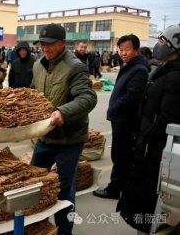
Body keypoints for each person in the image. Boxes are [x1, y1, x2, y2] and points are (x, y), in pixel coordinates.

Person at [30, 23, 97, 235]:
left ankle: (64, 231)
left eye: (50, 44)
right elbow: (33, 94)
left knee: (64, 189)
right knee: (34, 181)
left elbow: (88, 97)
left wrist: (63, 112)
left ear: (62, 44)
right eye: (42, 44)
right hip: (45, 136)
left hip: (69, 139)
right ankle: (39, 227)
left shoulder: (75, 66)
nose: (45, 48)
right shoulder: (38, 66)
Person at [118, 24, 180, 234]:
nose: (158, 45)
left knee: (148, 201)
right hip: (147, 145)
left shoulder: (174, 76)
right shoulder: (163, 70)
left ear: (174, 46)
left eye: (162, 41)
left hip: (154, 150)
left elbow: (166, 117)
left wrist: (145, 136)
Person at [93, 34, 149, 200]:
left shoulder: (139, 69)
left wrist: (115, 107)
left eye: (127, 49)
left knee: (120, 155)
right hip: (120, 118)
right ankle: (122, 186)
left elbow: (132, 96)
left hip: (126, 120)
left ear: (137, 50)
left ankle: (115, 189)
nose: (123, 53)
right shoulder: (130, 65)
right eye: (121, 49)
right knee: (121, 154)